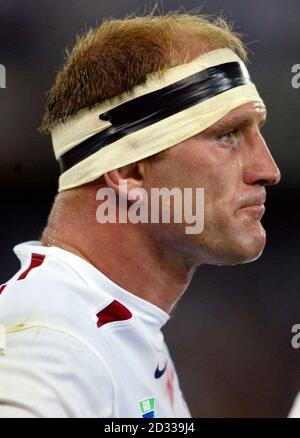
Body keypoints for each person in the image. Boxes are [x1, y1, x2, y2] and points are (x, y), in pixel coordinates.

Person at [0, 12, 280, 418]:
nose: (268, 170)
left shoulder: (110, 325)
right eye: (227, 136)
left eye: (258, 132)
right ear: (129, 172)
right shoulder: (50, 344)